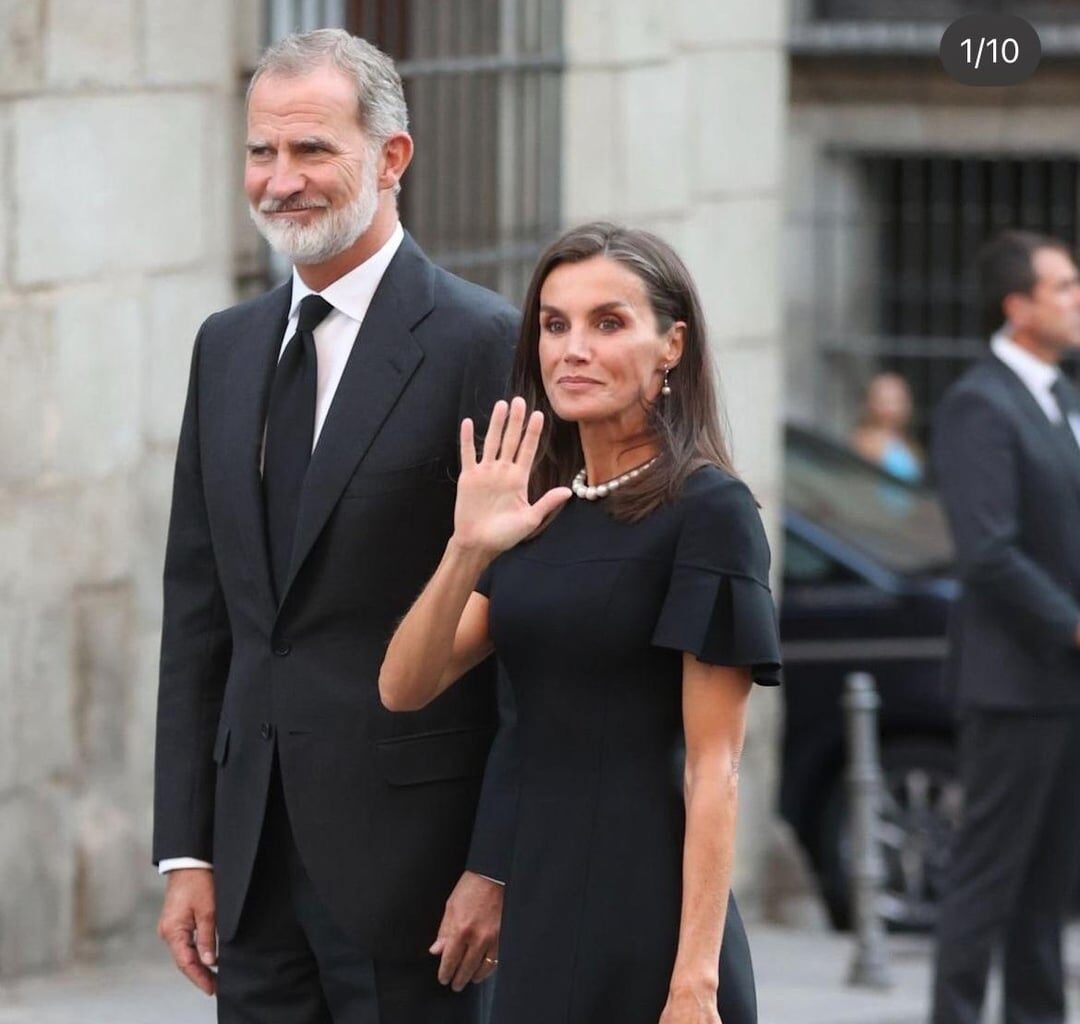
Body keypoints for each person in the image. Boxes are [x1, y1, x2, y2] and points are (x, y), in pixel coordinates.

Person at [153, 29, 519, 1024]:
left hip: (420, 877)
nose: (280, 181)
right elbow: (202, 611)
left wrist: (494, 861)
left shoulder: (479, 342)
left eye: (312, 150)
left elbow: (521, 627)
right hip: (253, 867)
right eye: (261, 152)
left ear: (391, 158)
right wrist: (189, 848)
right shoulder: (223, 348)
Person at [379, 223, 782, 1024]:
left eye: (608, 323)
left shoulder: (709, 510)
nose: (573, 349)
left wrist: (694, 981)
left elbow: (715, 769)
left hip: (649, 902)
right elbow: (404, 686)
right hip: (542, 898)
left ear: (672, 345)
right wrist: (467, 548)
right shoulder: (540, 507)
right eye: (555, 324)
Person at [930, 229, 1080, 1024]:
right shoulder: (978, 403)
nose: (1076, 299)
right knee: (987, 878)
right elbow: (988, 551)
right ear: (1017, 307)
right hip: (1013, 681)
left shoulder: (1058, 397)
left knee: (1048, 885)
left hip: (1060, 683)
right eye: (1063, 287)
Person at [851, 372, 923, 483]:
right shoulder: (867, 442)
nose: (892, 407)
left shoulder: (905, 442)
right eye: (886, 400)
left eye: (897, 400)